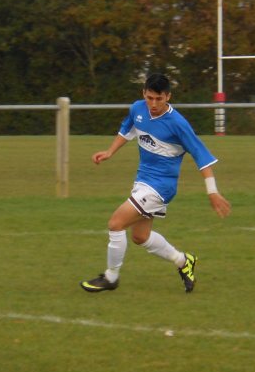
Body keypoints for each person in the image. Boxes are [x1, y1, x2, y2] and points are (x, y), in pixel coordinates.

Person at [80, 73, 231, 293]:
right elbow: (128, 130)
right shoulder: (137, 109)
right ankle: (183, 261)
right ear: (144, 94)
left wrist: (213, 192)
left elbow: (202, 157)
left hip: (161, 187)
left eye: (159, 99)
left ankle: (111, 277)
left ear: (168, 96)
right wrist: (110, 151)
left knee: (115, 223)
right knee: (140, 237)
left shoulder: (178, 124)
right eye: (150, 97)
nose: (153, 104)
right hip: (142, 180)